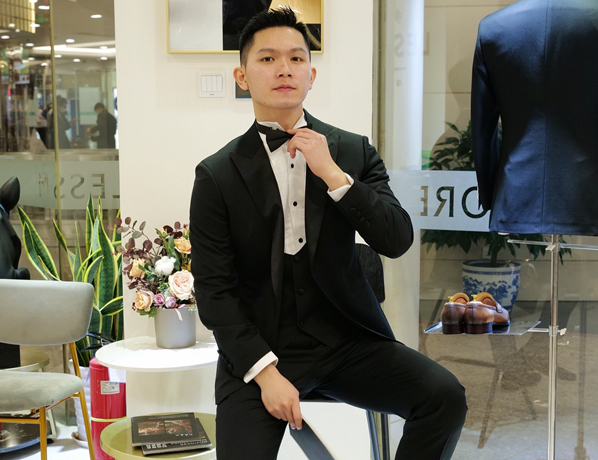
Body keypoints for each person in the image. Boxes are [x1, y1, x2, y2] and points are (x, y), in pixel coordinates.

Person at [189, 8, 467, 460]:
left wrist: (335, 176)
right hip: (260, 349)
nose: (284, 69)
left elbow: (396, 239)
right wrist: (265, 374)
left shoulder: (352, 151)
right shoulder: (216, 175)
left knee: (444, 397)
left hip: (347, 342)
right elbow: (214, 291)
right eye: (267, 59)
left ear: (311, 75)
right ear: (242, 76)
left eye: (296, 58)